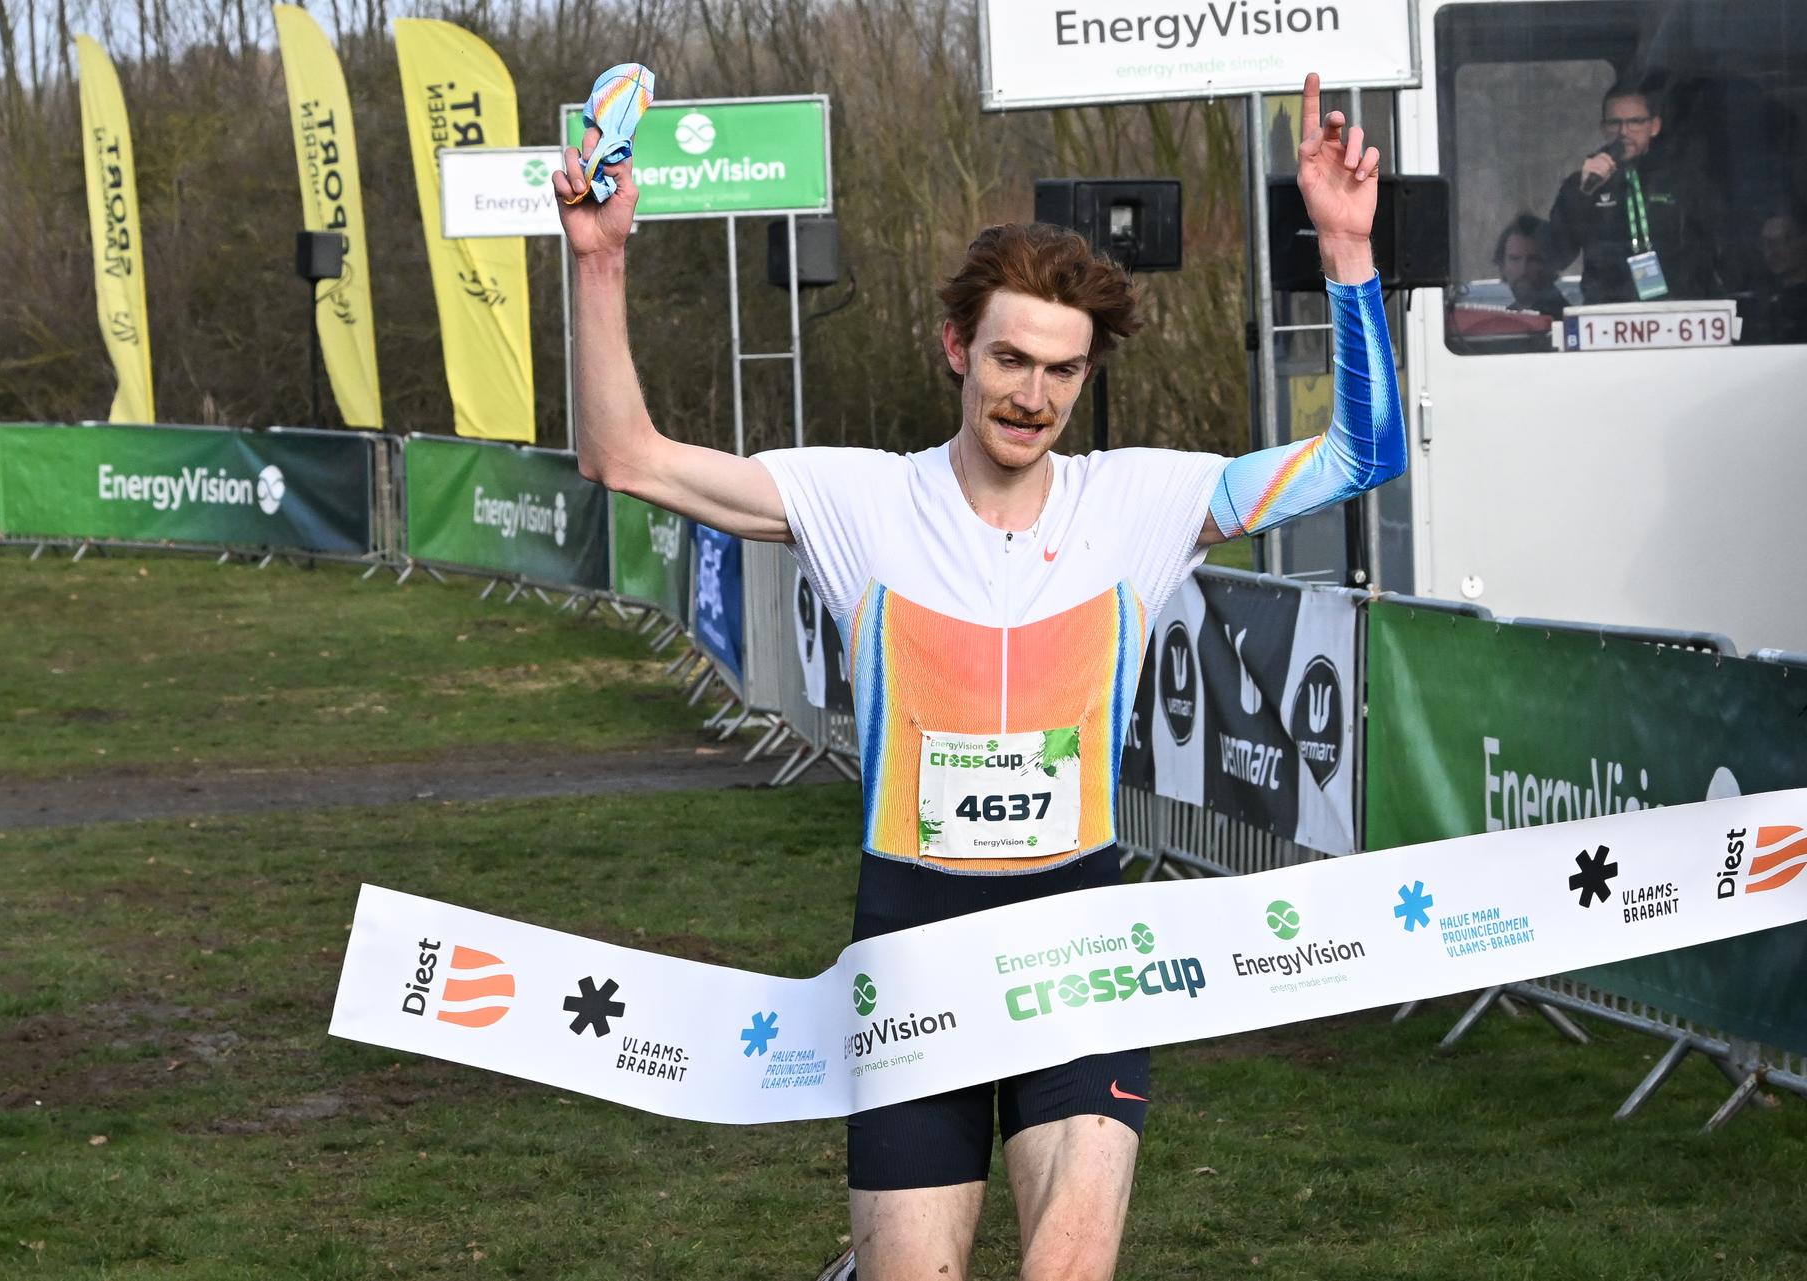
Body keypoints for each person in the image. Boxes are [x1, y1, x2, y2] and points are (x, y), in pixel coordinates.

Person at [555, 72, 1402, 1281]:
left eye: (1062, 372)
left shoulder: (1147, 501)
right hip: (912, 940)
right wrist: (599, 260)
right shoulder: (859, 499)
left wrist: (1345, 246)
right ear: (958, 348)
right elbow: (621, 455)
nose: (1033, 396)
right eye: (1010, 360)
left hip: (1078, 937)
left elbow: (1364, 451)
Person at [1548, 81, 1714, 303]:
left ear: (1654, 126)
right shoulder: (1584, 183)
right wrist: (1582, 193)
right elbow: (1556, 257)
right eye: (1615, 123)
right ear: (1603, 128)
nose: (1624, 131)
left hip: (1676, 310)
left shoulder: (1682, 180)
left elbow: (1714, 245)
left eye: (1635, 122)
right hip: (1608, 313)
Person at [1743, 202, 1807, 345]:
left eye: (1784, 241)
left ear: (1804, 241)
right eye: (1766, 243)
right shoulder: (1755, 299)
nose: (1773, 252)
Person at [1494, 213, 1568, 318]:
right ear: (1502, 265)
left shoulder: (1565, 321)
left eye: (1533, 260)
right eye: (1515, 259)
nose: (1523, 270)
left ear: (1551, 264)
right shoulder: (1505, 319)